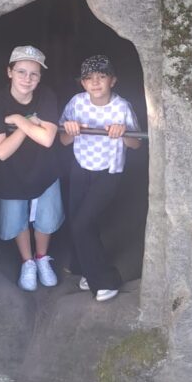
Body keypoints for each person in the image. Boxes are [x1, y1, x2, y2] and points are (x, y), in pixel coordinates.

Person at [59, 54, 141, 302]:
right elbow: (63, 140)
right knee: (80, 221)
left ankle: (106, 280)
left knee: (82, 223)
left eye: (101, 76)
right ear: (82, 83)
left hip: (109, 170)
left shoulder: (122, 107)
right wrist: (71, 130)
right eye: (89, 78)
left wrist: (123, 133)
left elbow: (136, 144)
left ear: (112, 81)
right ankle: (88, 270)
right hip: (81, 166)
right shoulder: (76, 103)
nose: (95, 82)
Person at [0, 45, 64, 291]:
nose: (27, 79)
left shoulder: (46, 95)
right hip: (11, 172)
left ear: (40, 77)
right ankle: (27, 262)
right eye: (21, 72)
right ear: (9, 72)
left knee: (46, 218)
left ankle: (41, 258)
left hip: (44, 168)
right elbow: (2, 151)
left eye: (34, 74)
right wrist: (28, 122)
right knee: (16, 220)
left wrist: (18, 120)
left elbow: (47, 139)